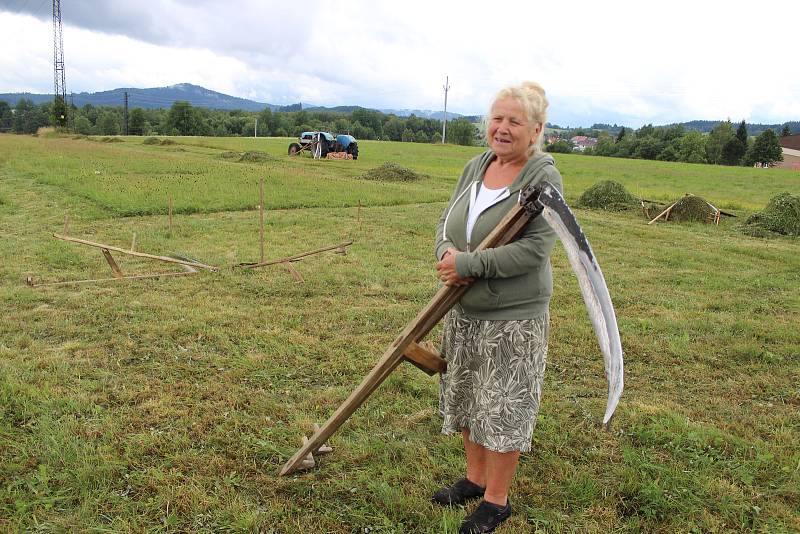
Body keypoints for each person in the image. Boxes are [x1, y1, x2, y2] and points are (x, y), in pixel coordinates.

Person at [432, 81, 563, 534]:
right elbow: (446, 220)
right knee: (467, 395)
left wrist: (471, 263)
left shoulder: (542, 176)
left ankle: (496, 500)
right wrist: (447, 254)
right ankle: (473, 478)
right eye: (496, 119)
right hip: (462, 307)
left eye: (514, 122)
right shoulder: (476, 165)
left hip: (513, 317)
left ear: (536, 130)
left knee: (503, 404)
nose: (502, 129)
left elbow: (536, 249)